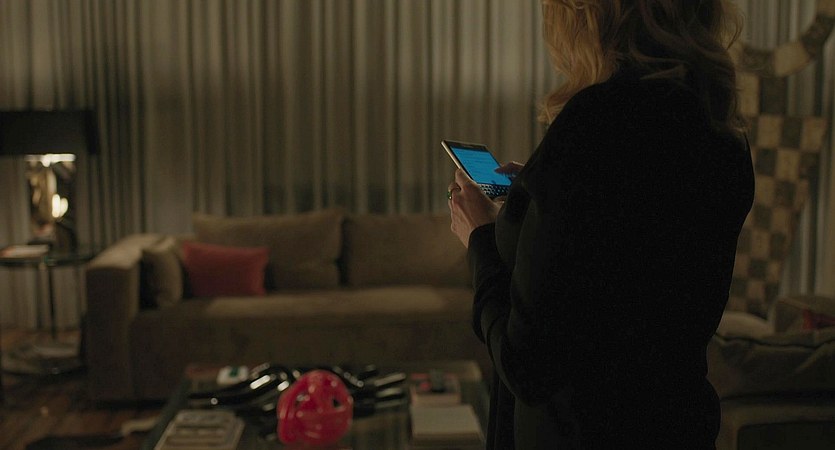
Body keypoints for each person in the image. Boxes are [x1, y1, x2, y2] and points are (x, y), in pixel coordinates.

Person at [446, 0, 754, 448]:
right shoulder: (721, 128)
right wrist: (538, 195)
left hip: (582, 433)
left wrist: (479, 237)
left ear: (587, 15)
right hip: (675, 424)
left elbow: (526, 365)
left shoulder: (596, 122)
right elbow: (627, 245)